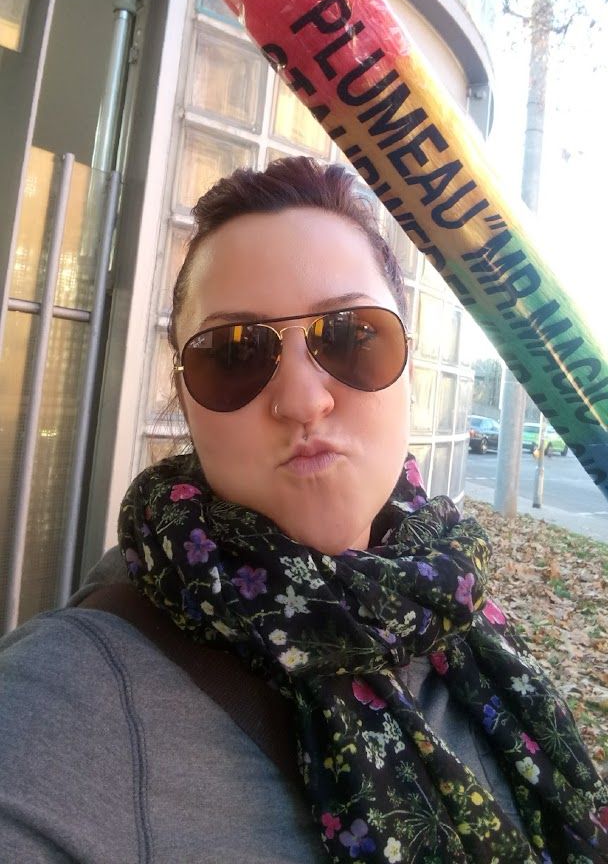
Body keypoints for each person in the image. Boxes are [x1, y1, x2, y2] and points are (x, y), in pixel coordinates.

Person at [0, 156, 606, 864]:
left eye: (350, 335)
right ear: (184, 398)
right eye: (233, 353)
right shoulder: (69, 704)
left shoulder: (467, 613)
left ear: (410, 359)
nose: (302, 400)